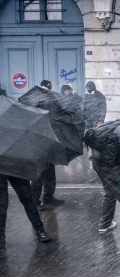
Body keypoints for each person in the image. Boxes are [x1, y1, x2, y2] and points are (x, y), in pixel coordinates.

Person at [30, 80, 64, 210]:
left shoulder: (51, 104)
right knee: (38, 175)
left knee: (50, 173)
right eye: (45, 88)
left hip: (49, 143)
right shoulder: (34, 104)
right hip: (38, 145)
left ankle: (48, 197)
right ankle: (34, 202)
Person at [0, 174, 52, 249]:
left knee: (28, 200)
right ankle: (0, 235)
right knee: (1, 205)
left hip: (17, 169)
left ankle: (40, 230)